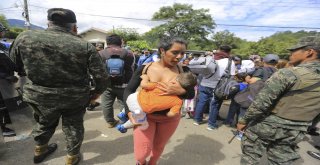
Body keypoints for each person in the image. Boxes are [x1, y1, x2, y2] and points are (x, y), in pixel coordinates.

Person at [9, 8, 108, 165]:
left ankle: (40, 150)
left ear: (48, 23)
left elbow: (13, 64)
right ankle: (72, 157)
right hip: (74, 98)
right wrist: (95, 94)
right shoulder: (85, 46)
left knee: (43, 122)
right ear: (74, 27)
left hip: (38, 95)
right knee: (74, 127)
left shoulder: (24, 37)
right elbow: (102, 78)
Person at [237, 36, 320, 164]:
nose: (290, 54)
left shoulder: (288, 74)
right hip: (297, 130)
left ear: (309, 52)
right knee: (281, 161)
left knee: (250, 157)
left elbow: (261, 103)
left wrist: (244, 120)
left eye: (294, 50)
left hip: (268, 125)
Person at [123, 37, 195, 165]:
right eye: (175, 52)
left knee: (158, 147)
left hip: (170, 119)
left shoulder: (184, 71)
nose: (179, 57)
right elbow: (128, 91)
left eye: (183, 53)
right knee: (141, 154)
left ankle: (153, 163)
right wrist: (130, 113)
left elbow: (191, 94)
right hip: (145, 117)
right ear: (162, 50)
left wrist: (181, 91)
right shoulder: (145, 68)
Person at [117, 72, 197, 133]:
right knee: (140, 121)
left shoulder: (161, 84)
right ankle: (123, 127)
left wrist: (145, 78)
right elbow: (171, 114)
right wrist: (169, 113)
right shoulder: (178, 102)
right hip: (139, 109)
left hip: (132, 98)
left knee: (138, 97)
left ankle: (123, 112)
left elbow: (144, 85)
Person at [193, 50, 236, 130]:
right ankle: (211, 124)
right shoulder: (229, 62)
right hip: (216, 87)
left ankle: (197, 120)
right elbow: (232, 76)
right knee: (214, 105)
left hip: (203, 84)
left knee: (201, 102)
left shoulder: (209, 60)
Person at [99, 34, 134, 128]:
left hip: (107, 85)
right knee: (124, 103)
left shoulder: (101, 53)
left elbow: (98, 70)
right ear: (120, 42)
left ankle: (110, 122)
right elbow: (131, 69)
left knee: (106, 104)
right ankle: (124, 122)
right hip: (124, 84)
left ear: (107, 42)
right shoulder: (128, 53)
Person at [0, 23, 24, 137]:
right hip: (2, 81)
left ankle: (8, 123)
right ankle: (3, 129)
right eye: (2, 31)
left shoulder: (1, 45)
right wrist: (5, 76)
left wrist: (18, 69)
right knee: (1, 106)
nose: (3, 33)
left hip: (6, 82)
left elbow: (8, 61)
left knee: (7, 105)